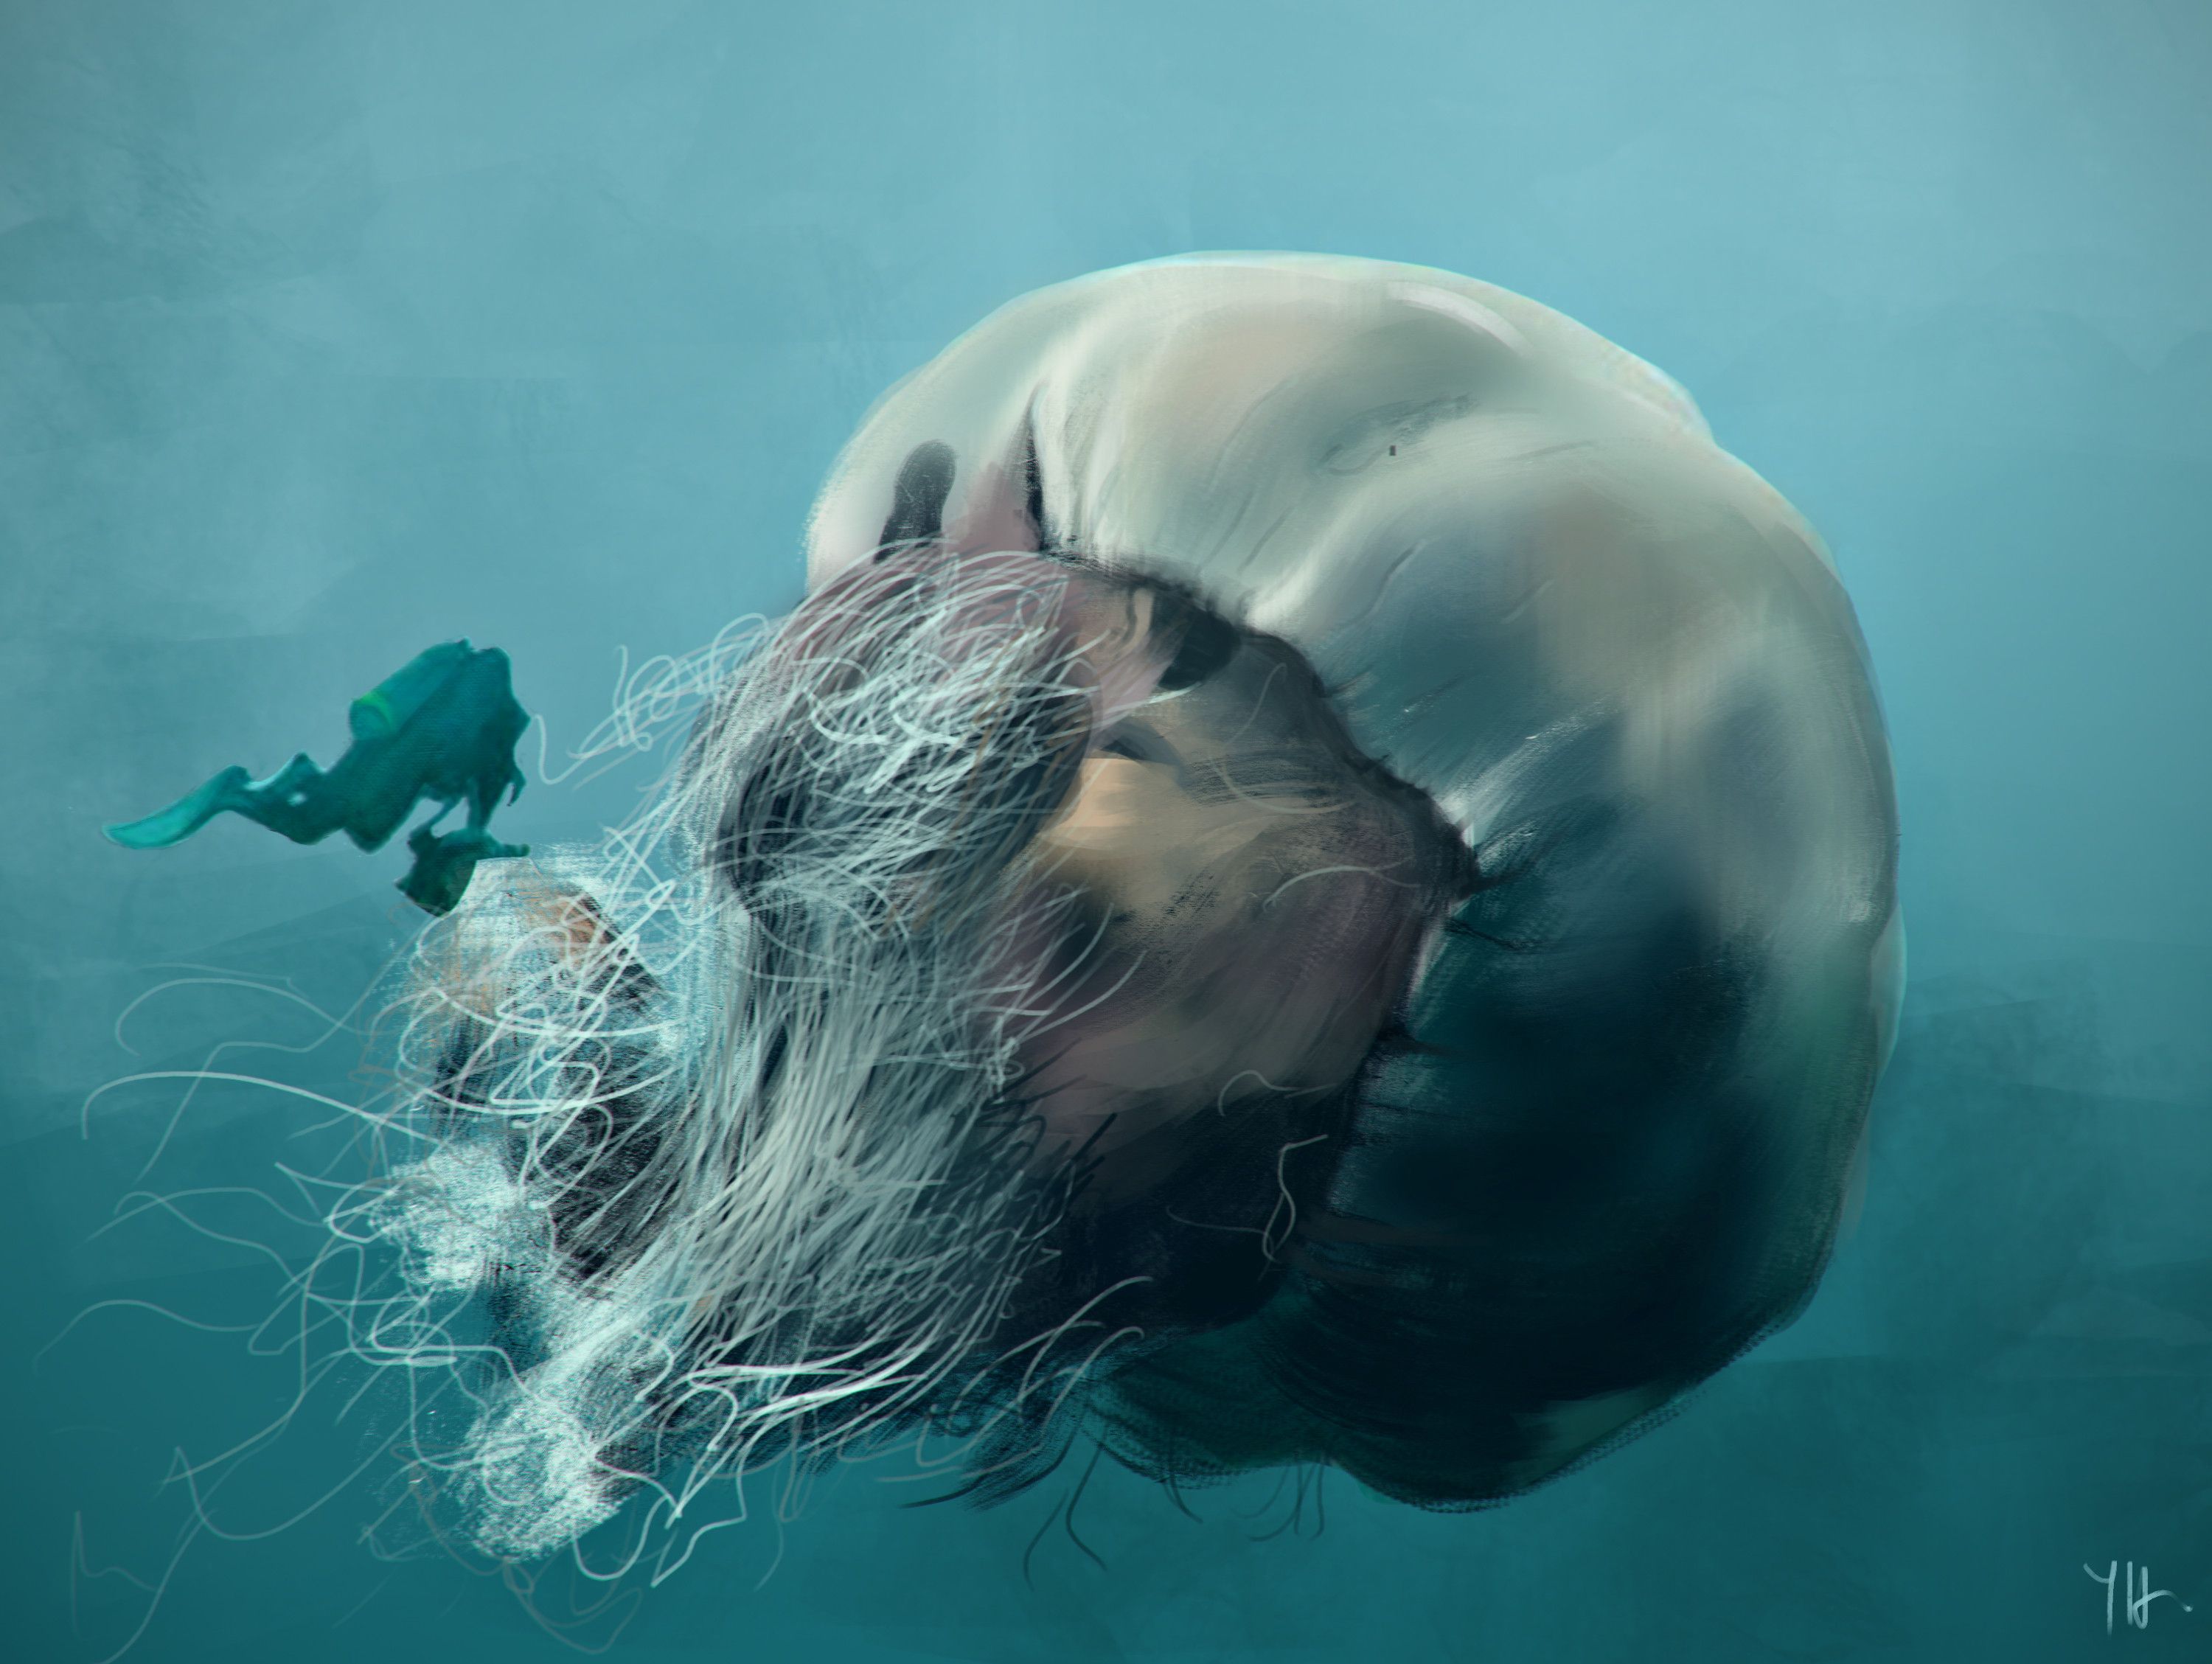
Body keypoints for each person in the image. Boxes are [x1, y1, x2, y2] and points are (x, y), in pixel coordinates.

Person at [392, 253, 1900, 1554]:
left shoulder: (1010, 485)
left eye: (1087, 934)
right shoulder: (1521, 1096)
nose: (1138, 726)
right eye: (1078, 928)